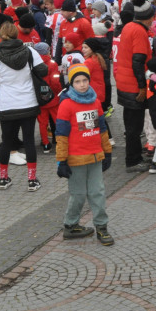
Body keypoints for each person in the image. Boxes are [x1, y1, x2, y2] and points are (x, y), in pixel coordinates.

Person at [55, 63, 114, 246]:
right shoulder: (66, 105)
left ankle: (102, 228)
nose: (82, 84)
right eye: (78, 81)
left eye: (85, 80)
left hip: (95, 156)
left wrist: (107, 152)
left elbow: (102, 129)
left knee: (98, 193)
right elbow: (62, 135)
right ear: (71, 84)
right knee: (78, 194)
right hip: (75, 159)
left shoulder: (95, 102)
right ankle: (71, 225)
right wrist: (62, 161)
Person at [0, 22, 46, 191]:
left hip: (7, 105)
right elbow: (44, 71)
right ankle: (32, 180)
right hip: (28, 103)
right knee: (28, 141)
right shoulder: (30, 51)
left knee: (6, 141)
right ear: (17, 34)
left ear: (1, 36)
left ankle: (3, 178)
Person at [115, 0, 155, 172]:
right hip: (133, 85)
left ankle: (135, 157)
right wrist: (141, 87)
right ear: (148, 17)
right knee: (134, 127)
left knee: (131, 124)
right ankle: (133, 161)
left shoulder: (129, 26)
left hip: (124, 82)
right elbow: (138, 61)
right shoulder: (139, 31)